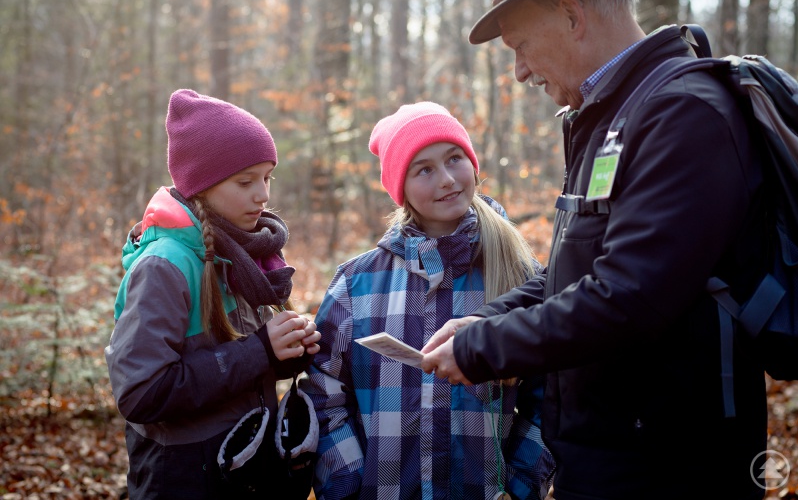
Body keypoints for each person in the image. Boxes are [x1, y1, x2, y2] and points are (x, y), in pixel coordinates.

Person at [421, 0, 769, 500]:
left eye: (520, 47)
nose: (521, 72)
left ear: (572, 16)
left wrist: (484, 349)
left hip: (671, 467)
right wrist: (490, 318)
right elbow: (578, 270)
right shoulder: (610, 116)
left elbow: (629, 296)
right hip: (607, 454)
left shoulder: (682, 114)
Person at [300, 101, 555, 500]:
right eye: (424, 169)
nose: (447, 180)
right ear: (401, 189)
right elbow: (323, 391)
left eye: (455, 159)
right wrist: (349, 483)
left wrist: (521, 484)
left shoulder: (521, 277)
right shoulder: (357, 286)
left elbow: (552, 396)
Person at [105, 89, 321, 499]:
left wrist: (287, 351)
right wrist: (259, 350)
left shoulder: (241, 254)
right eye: (246, 181)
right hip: (184, 478)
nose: (263, 194)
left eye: (267, 177)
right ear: (203, 186)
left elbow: (234, 374)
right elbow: (142, 394)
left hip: (244, 471)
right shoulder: (165, 266)